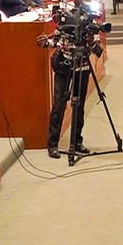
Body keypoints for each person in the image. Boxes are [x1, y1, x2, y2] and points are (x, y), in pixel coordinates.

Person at [36, 13, 93, 159]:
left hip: (82, 67)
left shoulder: (89, 27)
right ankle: (52, 144)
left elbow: (94, 48)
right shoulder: (64, 26)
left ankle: (76, 142)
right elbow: (54, 42)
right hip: (64, 67)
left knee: (79, 105)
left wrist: (90, 41)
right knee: (59, 104)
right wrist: (44, 43)